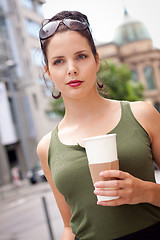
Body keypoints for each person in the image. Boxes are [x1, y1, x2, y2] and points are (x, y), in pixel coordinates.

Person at [37, 10, 160, 240]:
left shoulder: (142, 114)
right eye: (59, 61)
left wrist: (144, 191)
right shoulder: (47, 147)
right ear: (48, 72)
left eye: (81, 56)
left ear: (96, 60)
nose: (71, 68)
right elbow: (69, 227)